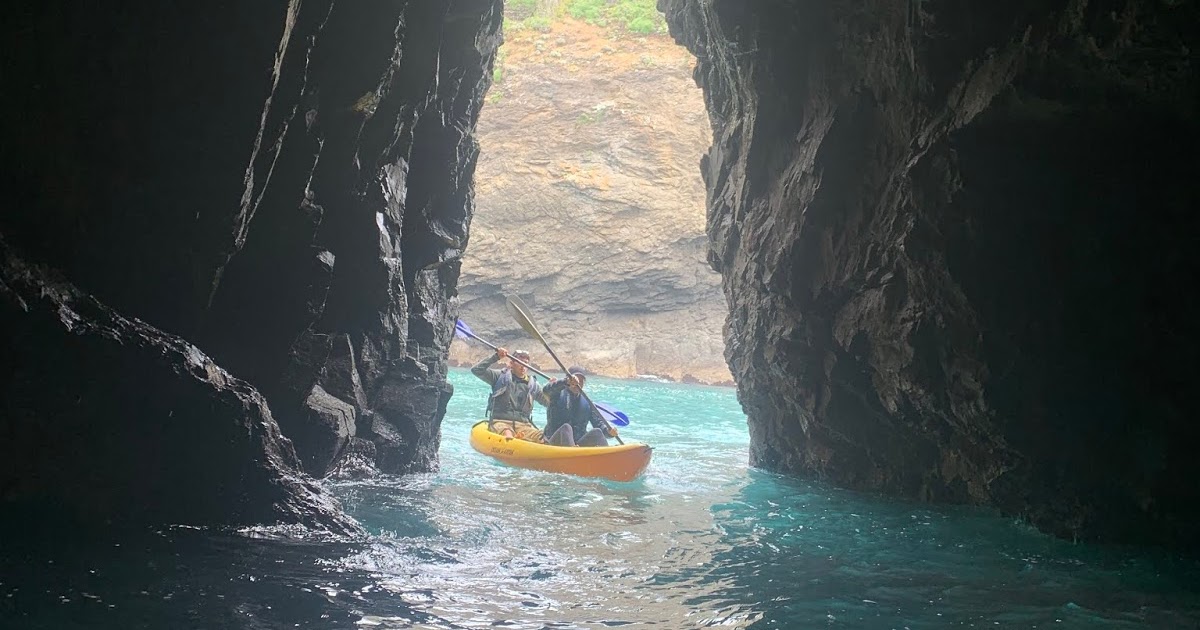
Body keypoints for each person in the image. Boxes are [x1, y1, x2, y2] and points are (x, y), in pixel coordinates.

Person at [472, 347, 547, 442]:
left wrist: (553, 389)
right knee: (507, 432)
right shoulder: (499, 376)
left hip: (524, 426)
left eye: (526, 363)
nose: (523, 366)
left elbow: (550, 403)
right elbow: (476, 370)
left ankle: (523, 439)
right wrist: (496, 357)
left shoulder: (534, 386)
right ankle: (513, 439)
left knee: (543, 436)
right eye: (520, 362)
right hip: (500, 422)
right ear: (511, 363)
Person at [542, 366, 617, 447]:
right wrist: (565, 382)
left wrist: (609, 432)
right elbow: (546, 390)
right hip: (554, 442)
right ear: (568, 380)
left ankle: (607, 456)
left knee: (597, 432)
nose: (578, 384)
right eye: (575, 380)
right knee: (566, 428)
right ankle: (573, 454)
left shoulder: (587, 402)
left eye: (581, 381)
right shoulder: (557, 394)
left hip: (577, 444)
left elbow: (598, 424)